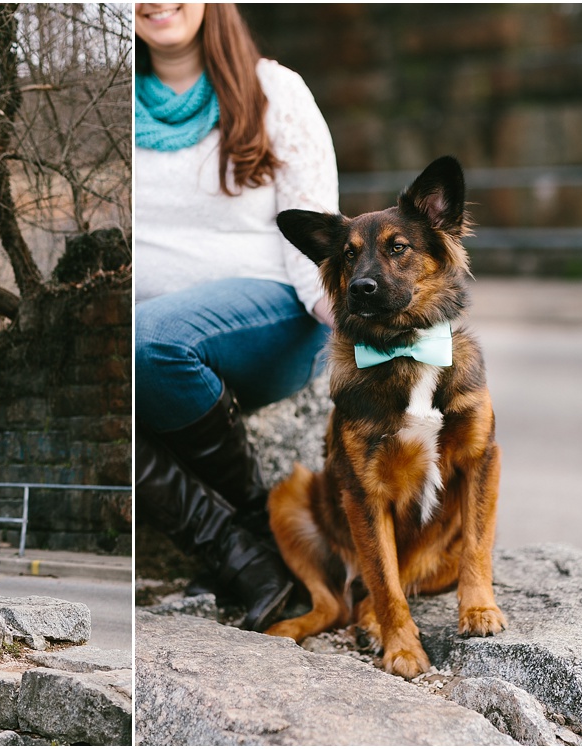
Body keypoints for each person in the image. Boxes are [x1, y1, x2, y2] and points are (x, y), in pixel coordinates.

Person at [134, 3, 339, 632]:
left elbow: (314, 236)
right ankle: (242, 551)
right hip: (153, 325)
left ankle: (256, 518)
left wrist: (356, 320)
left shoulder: (274, 90)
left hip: (272, 314)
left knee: (149, 339)